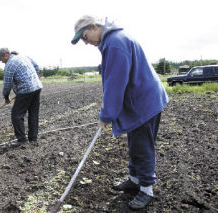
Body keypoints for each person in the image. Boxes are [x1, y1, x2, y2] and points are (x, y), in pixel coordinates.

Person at [71, 15, 169, 210]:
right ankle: (134, 180)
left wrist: (106, 115)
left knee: (142, 147)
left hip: (144, 103)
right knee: (134, 144)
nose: (85, 41)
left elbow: (115, 85)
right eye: (81, 39)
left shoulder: (115, 44)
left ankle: (147, 189)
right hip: (139, 100)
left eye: (84, 36)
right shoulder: (112, 41)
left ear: (94, 26)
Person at [0, 47, 43, 146]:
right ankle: (33, 138)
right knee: (33, 113)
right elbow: (36, 66)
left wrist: (6, 97)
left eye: (2, 59)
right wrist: (34, 78)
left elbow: (7, 84)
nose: (2, 62)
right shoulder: (23, 57)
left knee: (16, 115)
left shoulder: (10, 64)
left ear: (5, 55)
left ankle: (22, 140)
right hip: (37, 87)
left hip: (26, 90)